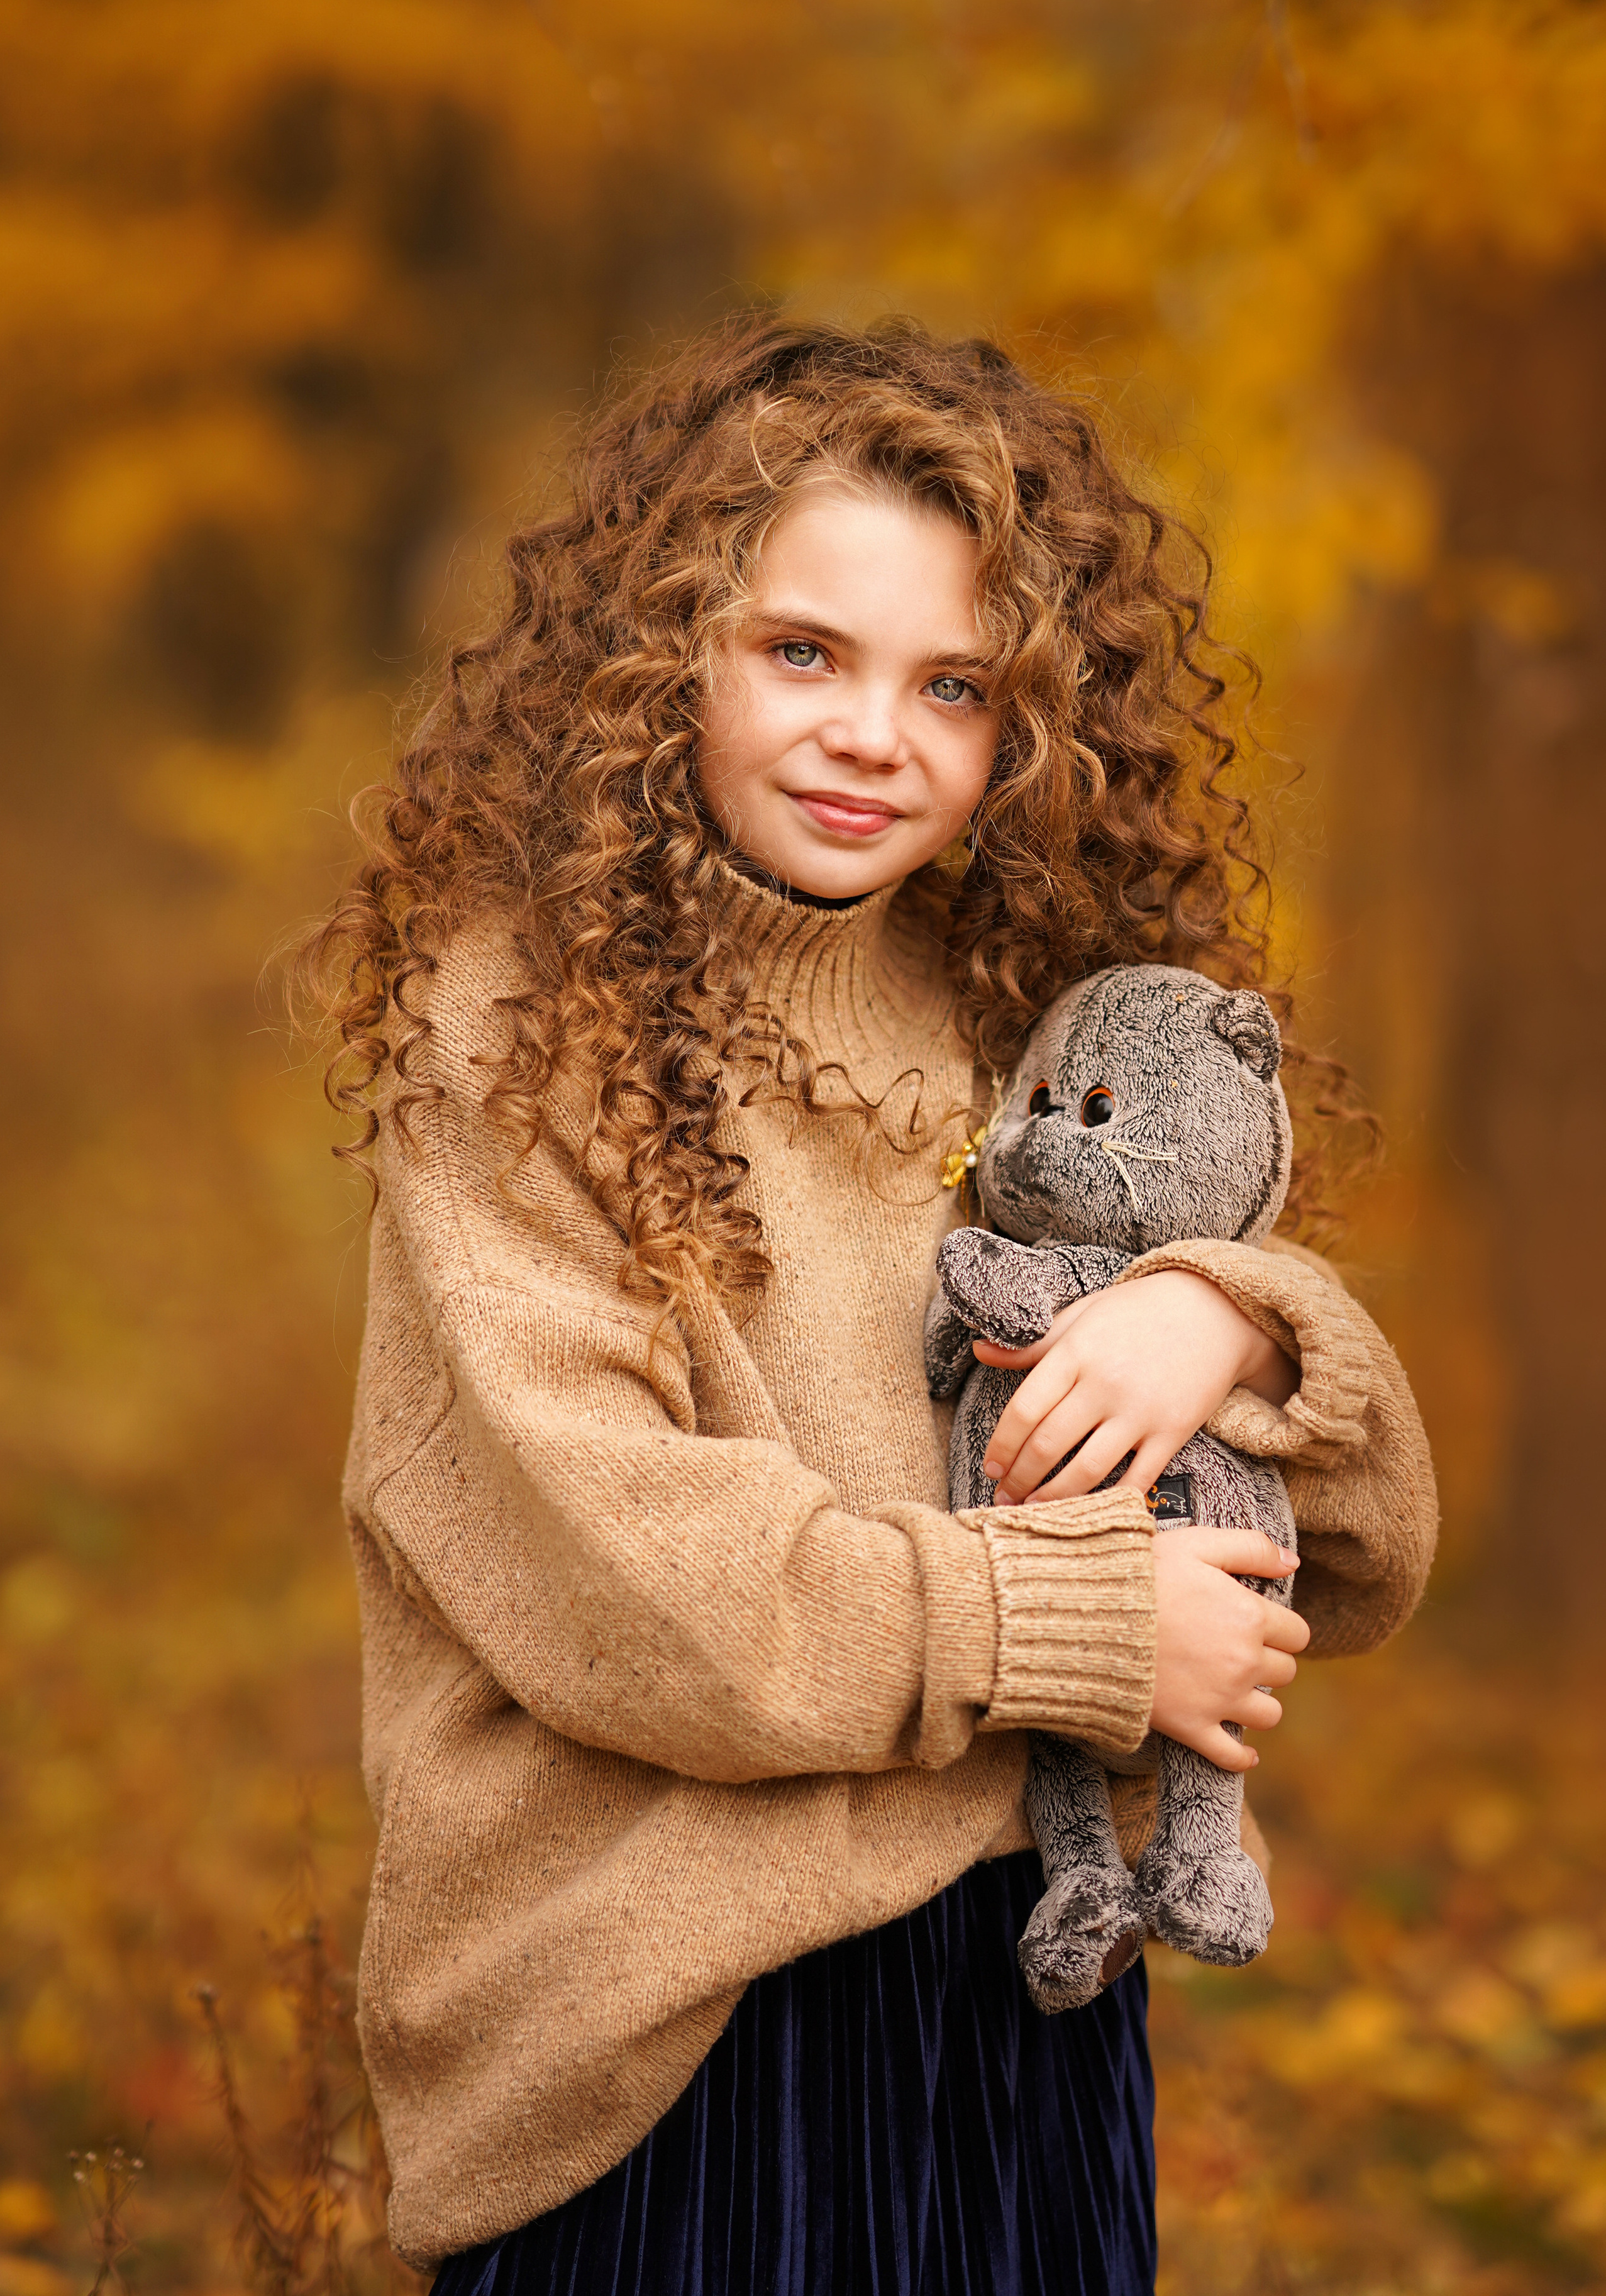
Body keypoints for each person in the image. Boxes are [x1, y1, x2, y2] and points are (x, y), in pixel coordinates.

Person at [302, 318, 1436, 2296]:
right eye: (803, 652)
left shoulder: (1034, 1020)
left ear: (1027, 734)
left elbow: (1360, 1550)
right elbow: (644, 1593)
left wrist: (1233, 1318)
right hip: (669, 2040)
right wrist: (1075, 1624)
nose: (870, 734)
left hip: (1019, 2014)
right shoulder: (516, 1038)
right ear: (668, 659)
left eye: (955, 685)